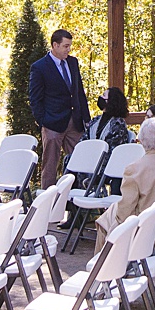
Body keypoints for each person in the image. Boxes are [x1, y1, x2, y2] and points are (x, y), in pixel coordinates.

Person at [27, 28, 92, 189]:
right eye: (65, 46)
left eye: (70, 46)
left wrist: (86, 118)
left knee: (80, 161)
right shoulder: (40, 67)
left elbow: (79, 92)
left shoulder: (73, 62)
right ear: (55, 45)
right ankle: (46, 204)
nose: (68, 49)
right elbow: (35, 98)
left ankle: (77, 202)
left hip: (74, 122)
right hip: (53, 123)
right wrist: (44, 121)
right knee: (50, 165)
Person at [96, 108, 155, 249]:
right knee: (109, 214)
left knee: (106, 221)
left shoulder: (134, 169)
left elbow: (124, 213)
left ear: (140, 139)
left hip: (142, 229)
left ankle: (100, 265)